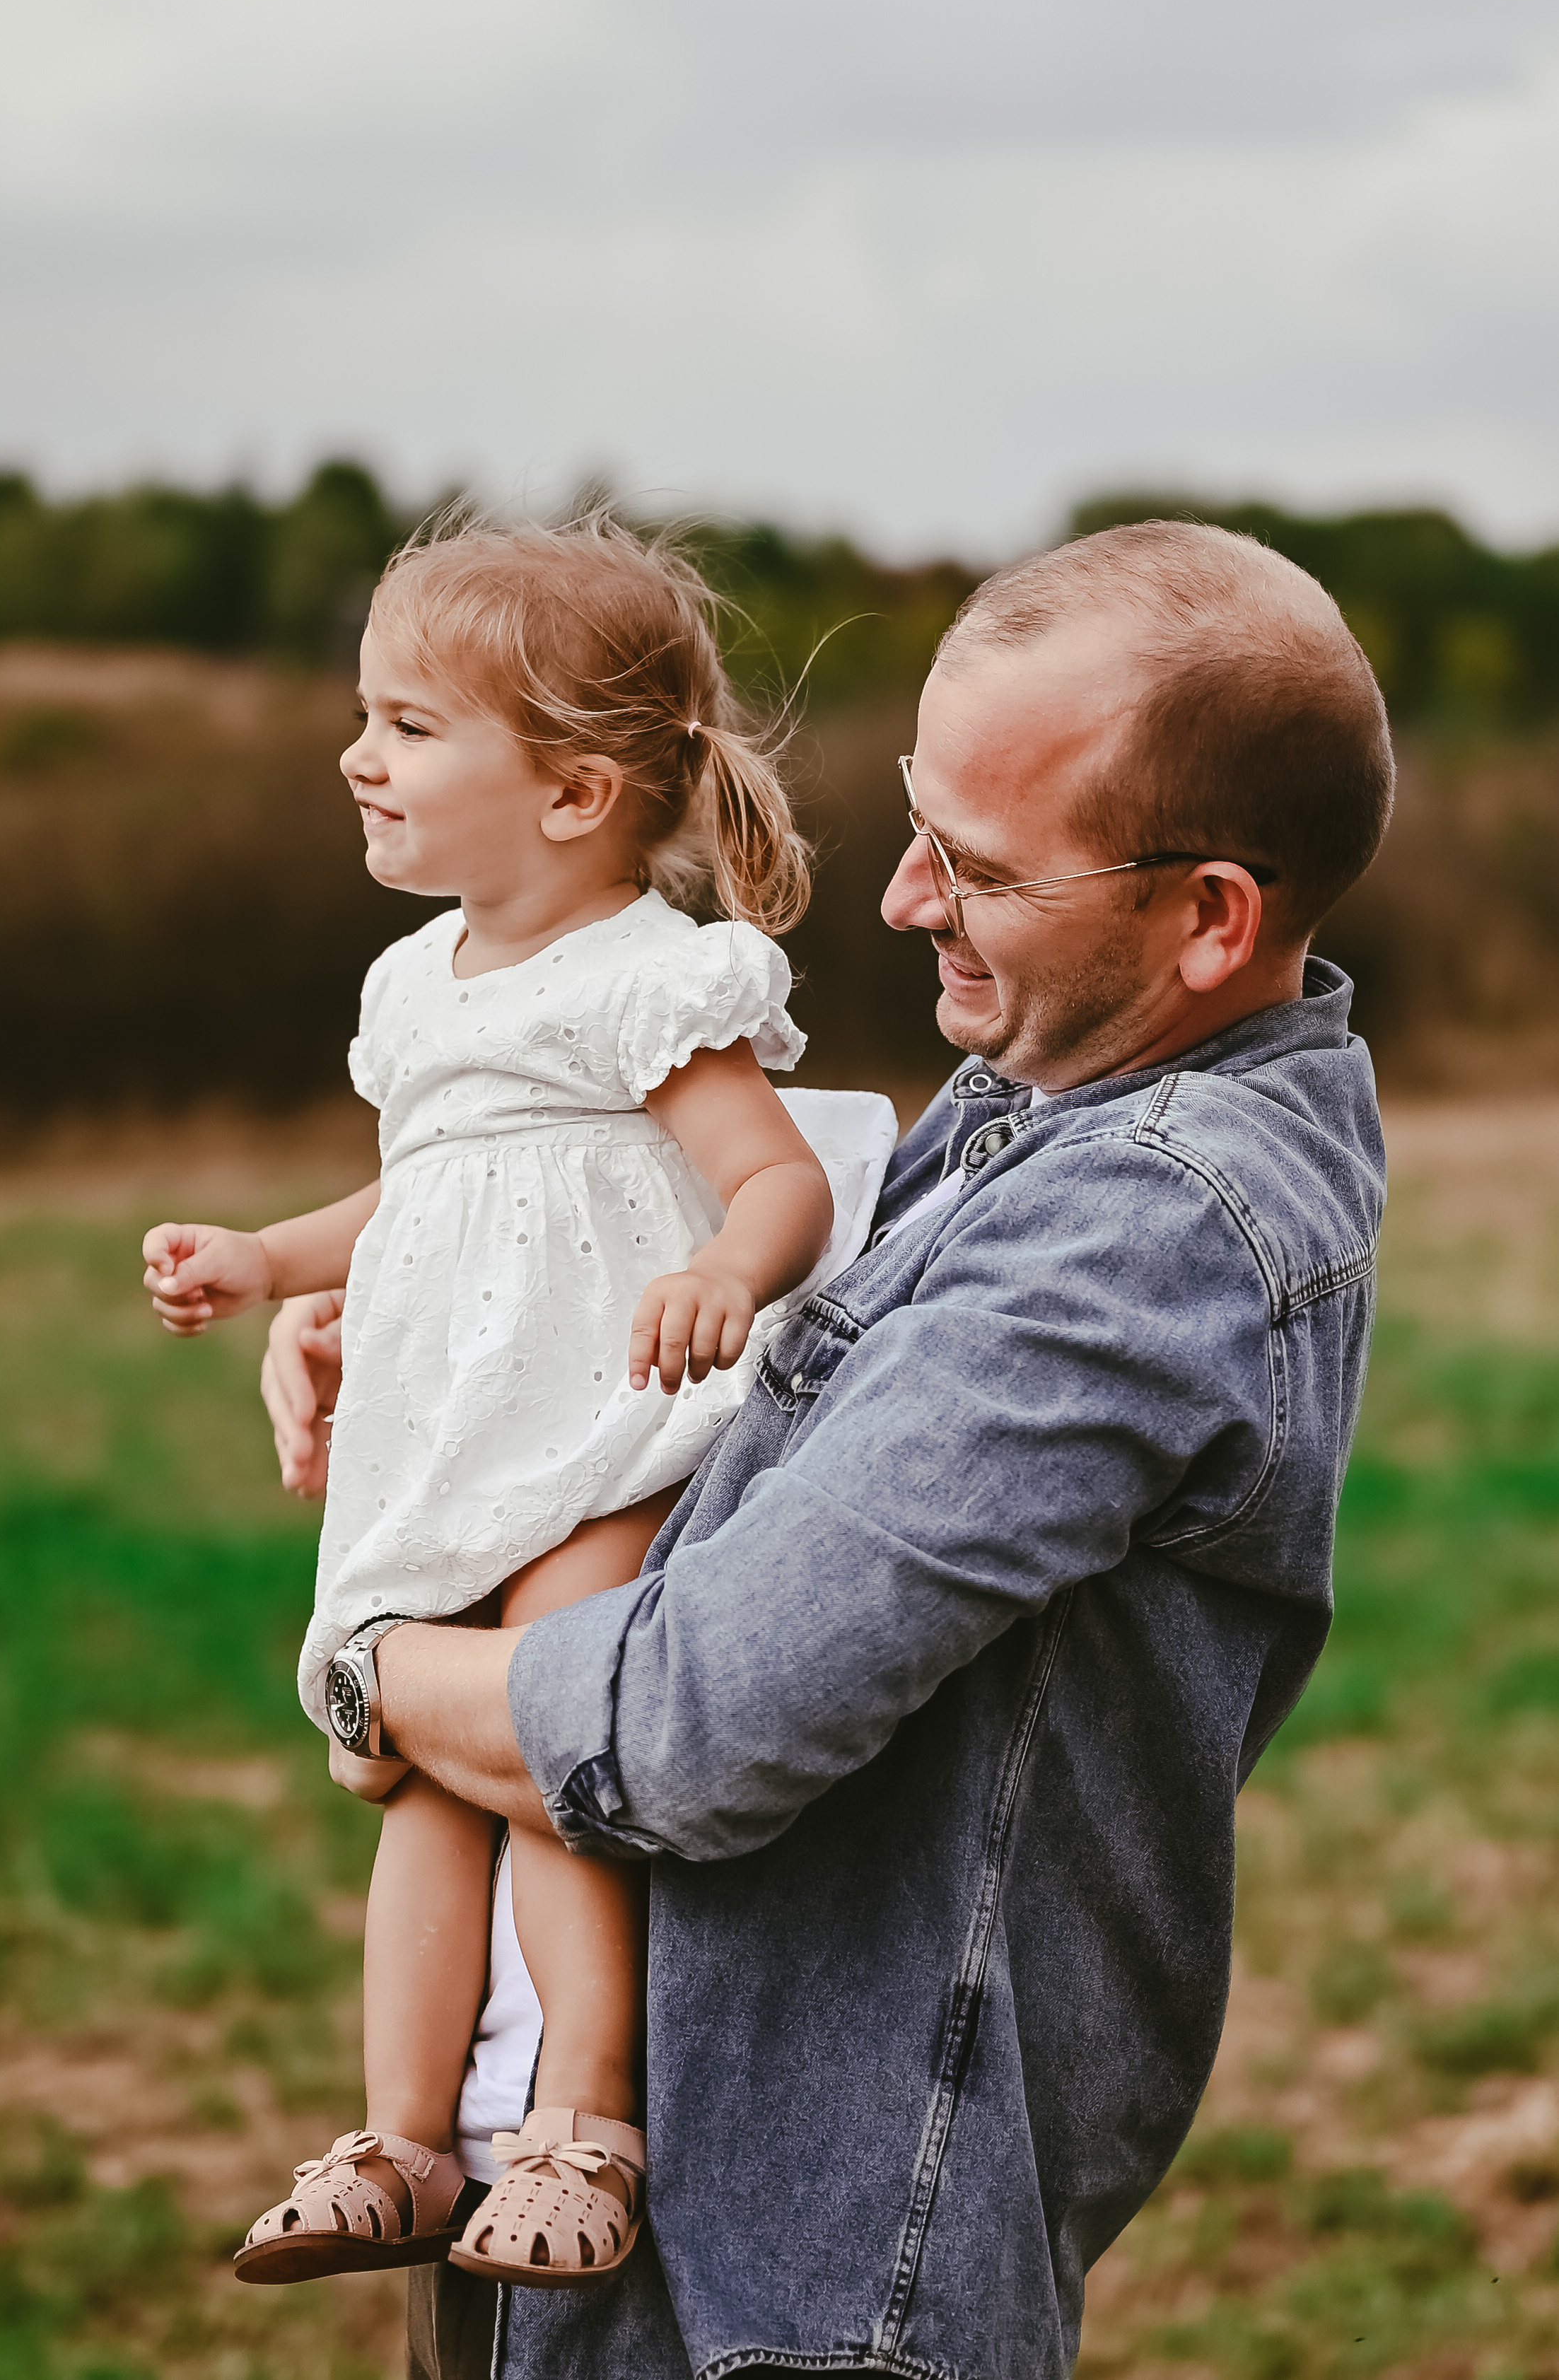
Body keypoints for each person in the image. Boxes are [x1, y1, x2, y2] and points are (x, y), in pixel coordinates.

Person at [260, 519, 1396, 2380]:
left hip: (780, 2276)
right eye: (917, 820)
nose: (900, 898)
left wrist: (374, 1650)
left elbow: (683, 1718)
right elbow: (690, 1259)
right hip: (570, 2193)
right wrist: (424, 1335)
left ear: (1209, 914)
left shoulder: (1138, 1228)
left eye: (978, 860)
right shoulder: (1045, 1096)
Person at [139, 518, 895, 2291]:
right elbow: (426, 1193)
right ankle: (403, 2137)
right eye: (366, 715)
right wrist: (265, 1255)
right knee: (418, 1783)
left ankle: (584, 2123)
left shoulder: (652, 979)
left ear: (570, 792)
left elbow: (772, 1181)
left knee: (556, 1758)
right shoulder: (417, 989)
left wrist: (729, 1271)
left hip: (601, 1432)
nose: (356, 754)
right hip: (442, 1441)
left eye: (406, 725)